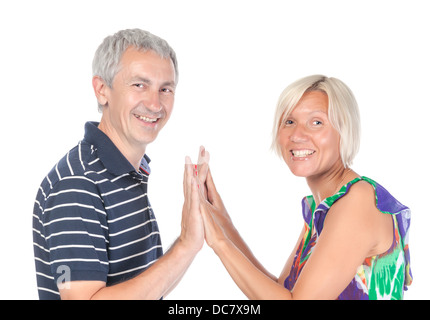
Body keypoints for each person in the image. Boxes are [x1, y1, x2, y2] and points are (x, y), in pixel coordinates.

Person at [197, 75, 412, 299]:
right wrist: (223, 224)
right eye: (289, 121)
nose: (297, 135)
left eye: (316, 122)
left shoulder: (358, 201)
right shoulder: (325, 206)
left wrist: (218, 242)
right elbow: (282, 291)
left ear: (344, 131)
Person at [32, 29, 205, 300]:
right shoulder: (78, 184)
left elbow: (148, 288)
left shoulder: (129, 171)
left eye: (165, 89)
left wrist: (193, 239)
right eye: (139, 85)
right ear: (102, 90)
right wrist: (184, 245)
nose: (154, 103)